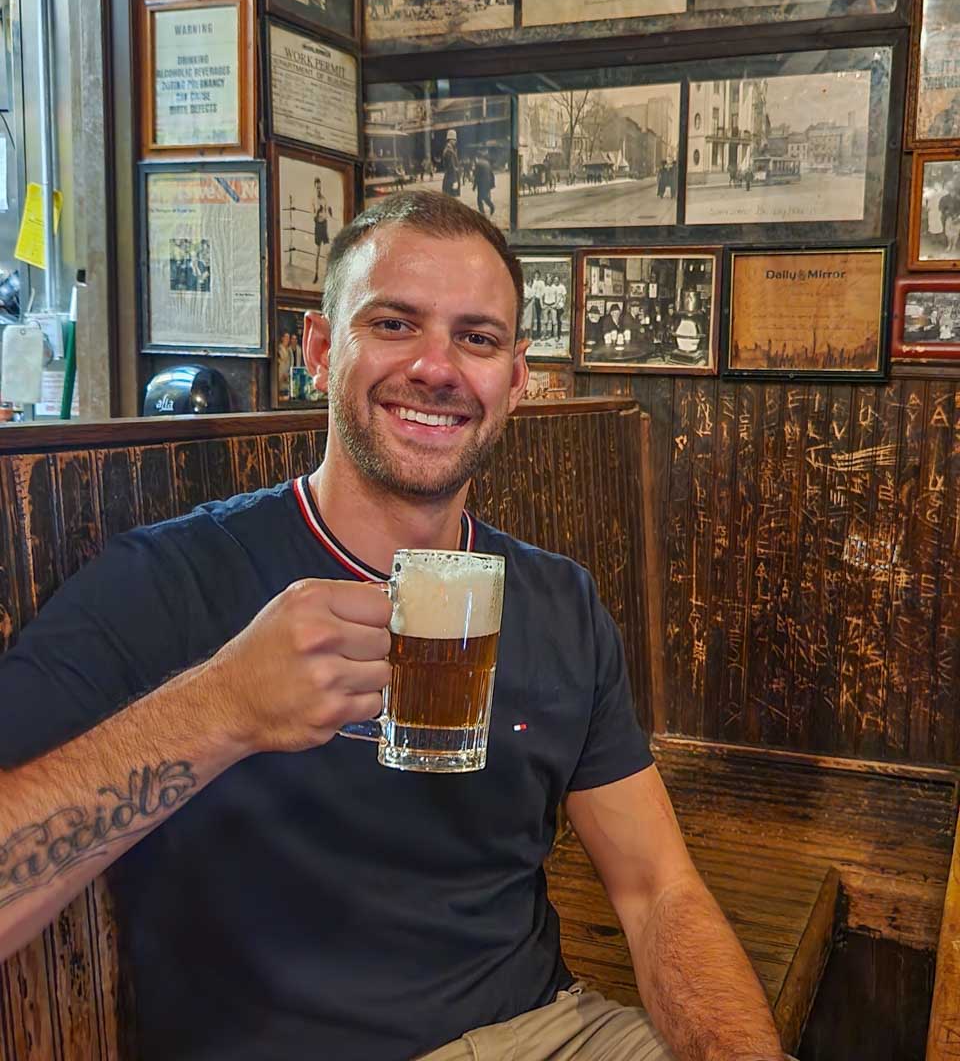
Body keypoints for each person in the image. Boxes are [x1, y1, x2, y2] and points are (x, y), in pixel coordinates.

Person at [0, 192, 791, 1061]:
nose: (437, 367)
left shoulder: (559, 601)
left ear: (517, 381)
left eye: (478, 338)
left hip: (546, 1033)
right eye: (394, 323)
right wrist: (219, 707)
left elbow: (656, 890)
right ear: (319, 349)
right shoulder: (173, 580)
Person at [312, 176, 331, 285]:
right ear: (314, 187)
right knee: (317, 253)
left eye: (320, 187)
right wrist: (317, 212)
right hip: (317, 226)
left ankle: (328, 277)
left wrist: (328, 212)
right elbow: (312, 216)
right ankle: (316, 274)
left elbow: (327, 211)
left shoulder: (324, 199)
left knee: (327, 252)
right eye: (317, 188)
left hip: (324, 225)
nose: (319, 189)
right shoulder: (313, 200)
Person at [472, 150, 496, 218]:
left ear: (478, 156)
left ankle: (484, 211)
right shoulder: (487, 163)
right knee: (484, 197)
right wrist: (492, 184)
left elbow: (477, 175)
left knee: (480, 199)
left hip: (481, 184)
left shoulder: (478, 163)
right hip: (488, 183)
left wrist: (474, 186)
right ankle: (489, 208)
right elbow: (491, 174)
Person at [442, 128, 461, 197]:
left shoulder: (449, 150)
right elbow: (451, 166)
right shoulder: (449, 151)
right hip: (451, 179)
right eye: (454, 140)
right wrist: (455, 180)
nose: (455, 142)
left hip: (449, 178)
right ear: (451, 140)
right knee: (451, 200)